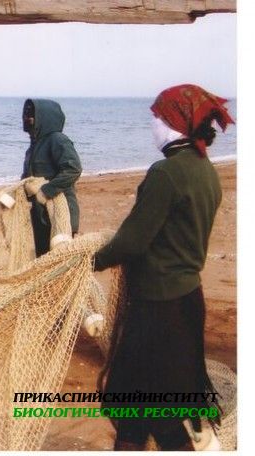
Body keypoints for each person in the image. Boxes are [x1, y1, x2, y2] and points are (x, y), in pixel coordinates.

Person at [93, 84, 234, 450]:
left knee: (158, 410)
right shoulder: (205, 170)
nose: (152, 124)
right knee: (146, 403)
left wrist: (92, 260)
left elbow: (132, 241)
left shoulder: (166, 173)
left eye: (157, 117)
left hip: (156, 308)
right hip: (187, 301)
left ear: (174, 122)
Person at [20, 99, 82, 256]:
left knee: (60, 259)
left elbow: (73, 169)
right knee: (43, 258)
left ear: (44, 117)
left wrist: (46, 191)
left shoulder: (57, 140)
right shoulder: (33, 147)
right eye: (25, 113)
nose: (26, 118)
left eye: (31, 114)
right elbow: (27, 179)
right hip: (40, 214)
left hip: (61, 213)